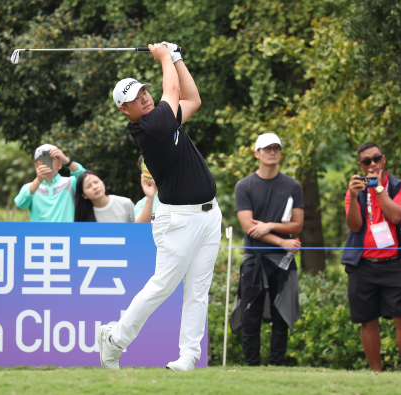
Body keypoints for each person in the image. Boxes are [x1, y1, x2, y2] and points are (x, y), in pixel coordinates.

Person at [97, 41, 221, 372]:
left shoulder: (163, 119)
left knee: (198, 290)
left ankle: (187, 357)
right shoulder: (150, 127)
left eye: (143, 92)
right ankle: (115, 340)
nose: (144, 97)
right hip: (177, 219)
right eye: (135, 99)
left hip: (209, 215)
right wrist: (166, 56)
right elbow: (173, 88)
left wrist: (177, 57)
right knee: (162, 285)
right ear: (126, 110)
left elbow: (192, 98)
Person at [341, 142, 401, 372]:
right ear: (360, 166)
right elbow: (354, 226)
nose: (372, 164)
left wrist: (379, 189)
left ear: (384, 159)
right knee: (368, 319)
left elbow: (396, 217)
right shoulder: (355, 189)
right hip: (363, 264)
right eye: (367, 161)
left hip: (393, 263)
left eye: (376, 159)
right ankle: (376, 373)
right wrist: (354, 197)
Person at [234, 133, 304, 366]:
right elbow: (247, 226)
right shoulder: (244, 185)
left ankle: (276, 365)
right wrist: (282, 240)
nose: (272, 151)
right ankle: (252, 366)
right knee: (250, 315)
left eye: (276, 148)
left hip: (283, 261)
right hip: (255, 258)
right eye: (267, 148)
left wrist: (269, 226)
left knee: (281, 314)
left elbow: (297, 225)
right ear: (257, 154)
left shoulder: (293, 186)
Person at [14, 144, 85, 222]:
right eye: (41, 159)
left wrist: (66, 160)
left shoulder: (71, 182)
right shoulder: (30, 187)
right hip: (40, 234)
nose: (47, 162)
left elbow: (86, 178)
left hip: (66, 233)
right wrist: (38, 180)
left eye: (52, 158)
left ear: (60, 164)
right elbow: (20, 204)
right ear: (36, 166)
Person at [134, 155, 160, 223]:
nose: (151, 172)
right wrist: (150, 198)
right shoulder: (141, 204)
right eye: (146, 171)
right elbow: (141, 229)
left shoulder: (180, 192)